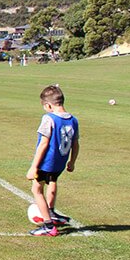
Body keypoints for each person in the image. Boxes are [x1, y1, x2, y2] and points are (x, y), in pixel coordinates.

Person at [25, 84, 80, 237]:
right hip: (60, 162)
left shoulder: (49, 118)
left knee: (36, 189)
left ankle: (48, 225)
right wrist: (72, 161)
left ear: (48, 105)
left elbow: (43, 144)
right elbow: (76, 144)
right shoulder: (73, 120)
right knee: (52, 183)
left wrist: (34, 167)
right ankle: (52, 212)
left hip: (46, 162)